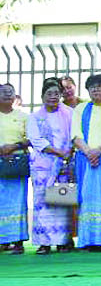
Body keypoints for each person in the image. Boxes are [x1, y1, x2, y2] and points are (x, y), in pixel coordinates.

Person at [71, 74, 101, 251]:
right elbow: (75, 135)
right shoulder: (80, 108)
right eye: (92, 87)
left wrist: (99, 150)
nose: (96, 90)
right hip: (86, 159)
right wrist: (90, 153)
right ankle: (88, 240)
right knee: (88, 197)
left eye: (100, 86)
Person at [26, 78, 74, 255]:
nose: (53, 97)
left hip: (63, 165)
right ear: (42, 96)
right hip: (42, 166)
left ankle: (63, 241)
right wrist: (58, 152)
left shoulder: (69, 113)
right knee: (42, 204)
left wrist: (67, 152)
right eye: (49, 93)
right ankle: (44, 243)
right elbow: (36, 140)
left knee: (62, 203)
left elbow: (75, 135)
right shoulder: (34, 117)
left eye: (56, 93)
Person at [0, 83, 30, 253]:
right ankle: (3, 240)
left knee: (18, 203)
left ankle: (18, 241)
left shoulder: (24, 117)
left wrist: (14, 146)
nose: (7, 95)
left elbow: (30, 139)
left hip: (17, 162)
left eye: (10, 92)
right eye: (3, 92)